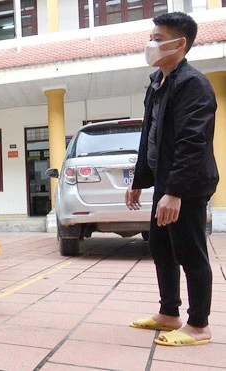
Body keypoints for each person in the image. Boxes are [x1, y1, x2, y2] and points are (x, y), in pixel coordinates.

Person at [127, 12, 219, 346]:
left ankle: (199, 325)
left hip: (189, 185)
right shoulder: (158, 83)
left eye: (156, 38)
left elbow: (192, 141)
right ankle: (169, 313)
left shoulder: (193, 84)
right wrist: (140, 180)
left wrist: (175, 192)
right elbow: (148, 134)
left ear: (179, 43)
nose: (150, 44)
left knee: (190, 251)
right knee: (161, 247)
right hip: (167, 182)